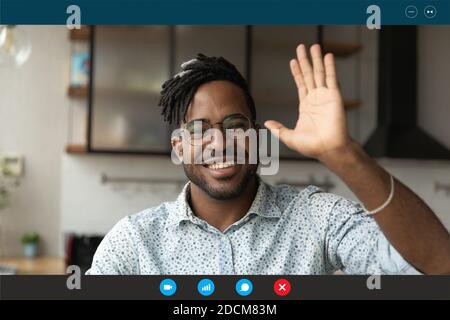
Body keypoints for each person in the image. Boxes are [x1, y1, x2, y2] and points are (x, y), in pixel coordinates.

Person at [87, 44, 450, 275]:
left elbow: (438, 266)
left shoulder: (315, 218)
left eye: (235, 124)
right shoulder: (135, 241)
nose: (220, 141)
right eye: (199, 128)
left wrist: (344, 155)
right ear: (179, 146)